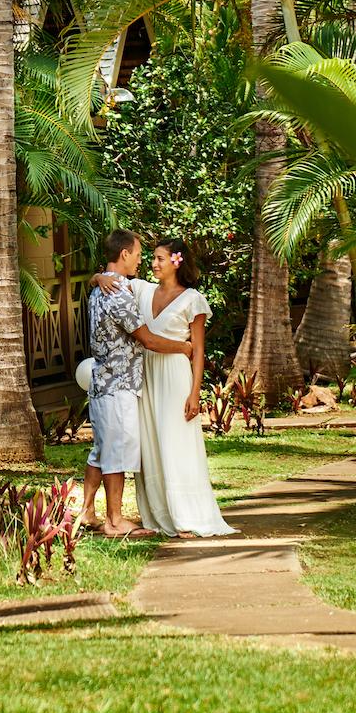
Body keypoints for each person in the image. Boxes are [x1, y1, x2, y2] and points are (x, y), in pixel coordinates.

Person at [94, 239, 236, 538]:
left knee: (177, 442)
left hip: (174, 377)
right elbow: (111, 277)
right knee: (152, 447)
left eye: (159, 259)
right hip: (145, 377)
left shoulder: (192, 299)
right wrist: (98, 276)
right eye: (152, 258)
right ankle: (159, 514)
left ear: (177, 261)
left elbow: (197, 350)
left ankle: (187, 515)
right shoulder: (143, 289)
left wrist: (195, 392)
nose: (153, 264)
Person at [81, 229, 197, 537]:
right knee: (117, 451)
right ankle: (115, 520)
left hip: (101, 382)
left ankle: (87, 511)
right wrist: (183, 348)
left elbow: (104, 279)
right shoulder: (117, 294)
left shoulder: (103, 288)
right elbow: (146, 339)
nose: (141, 260)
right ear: (124, 255)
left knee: (102, 449)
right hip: (118, 384)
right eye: (137, 254)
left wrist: (97, 276)